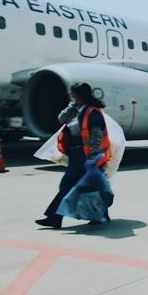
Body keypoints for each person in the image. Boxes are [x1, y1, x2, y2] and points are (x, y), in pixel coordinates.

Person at [36, 82, 112, 228]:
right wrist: (72, 106)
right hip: (75, 154)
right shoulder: (75, 110)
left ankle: (101, 215)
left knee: (91, 187)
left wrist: (94, 153)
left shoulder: (92, 112)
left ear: (78, 94)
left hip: (87, 155)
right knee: (67, 185)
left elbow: (96, 132)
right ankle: (54, 217)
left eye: (73, 95)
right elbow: (61, 119)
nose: (72, 97)